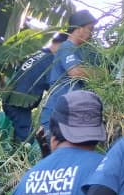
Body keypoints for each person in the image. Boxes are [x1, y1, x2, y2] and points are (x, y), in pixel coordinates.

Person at [38, 10, 98, 150]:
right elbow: (75, 72)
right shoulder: (67, 47)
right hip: (57, 117)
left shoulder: (81, 51)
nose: (92, 33)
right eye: (90, 29)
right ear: (79, 29)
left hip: (68, 116)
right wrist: (98, 74)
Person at [2, 32, 68, 144]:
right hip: (18, 103)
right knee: (26, 138)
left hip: (13, 99)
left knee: (20, 134)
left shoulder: (40, 54)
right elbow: (54, 86)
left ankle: (15, 151)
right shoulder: (50, 60)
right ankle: (20, 153)